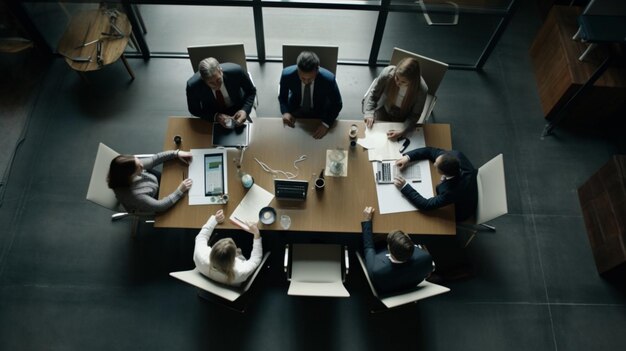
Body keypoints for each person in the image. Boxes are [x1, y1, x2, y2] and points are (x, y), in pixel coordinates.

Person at [361, 206, 434, 295]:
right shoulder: (425, 257)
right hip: (412, 285)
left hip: (388, 290)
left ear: (388, 249)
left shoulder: (377, 269)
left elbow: (368, 247)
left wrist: (367, 221)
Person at [394, 146, 478, 222]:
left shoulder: (452, 191)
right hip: (470, 183)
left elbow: (426, 205)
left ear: (442, 172)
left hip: (461, 208)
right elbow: (430, 151)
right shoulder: (455, 155)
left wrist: (404, 187)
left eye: (436, 165)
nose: (434, 163)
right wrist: (408, 158)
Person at [278, 51, 343, 139]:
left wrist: (325, 124)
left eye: (310, 78)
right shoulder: (287, 75)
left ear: (317, 70)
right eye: (302, 78)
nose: (306, 81)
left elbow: (337, 104)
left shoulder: (328, 80)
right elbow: (282, 97)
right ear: (297, 69)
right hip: (295, 111)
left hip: (320, 113)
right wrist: (285, 112)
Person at [108, 150, 193, 213]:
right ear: (131, 175)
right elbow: (159, 206)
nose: (142, 165)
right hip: (153, 196)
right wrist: (179, 191)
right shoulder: (136, 196)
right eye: (139, 167)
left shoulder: (129, 168)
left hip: (151, 181)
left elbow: (155, 159)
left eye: (138, 160)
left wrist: (176, 153)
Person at [193, 210, 263, 286]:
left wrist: (215, 220)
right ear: (235, 257)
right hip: (232, 285)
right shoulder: (241, 271)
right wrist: (256, 233)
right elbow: (256, 259)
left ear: (212, 250)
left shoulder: (200, 255)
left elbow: (201, 236)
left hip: (207, 275)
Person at [363, 57, 428, 139]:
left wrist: (403, 129)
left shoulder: (421, 90)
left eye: (403, 82)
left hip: (404, 117)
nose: (397, 83)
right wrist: (369, 112)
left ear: (413, 81)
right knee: (372, 133)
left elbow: (414, 115)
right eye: (396, 78)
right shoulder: (388, 74)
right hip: (384, 109)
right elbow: (374, 95)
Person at [186, 57, 257, 128]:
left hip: (239, 106)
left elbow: (251, 91)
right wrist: (216, 116)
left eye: (218, 80)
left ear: (221, 71)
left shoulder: (237, 72)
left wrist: (245, 110)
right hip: (212, 113)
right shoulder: (193, 86)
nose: (217, 86)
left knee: (251, 130)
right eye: (211, 83)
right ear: (203, 79)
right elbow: (194, 110)